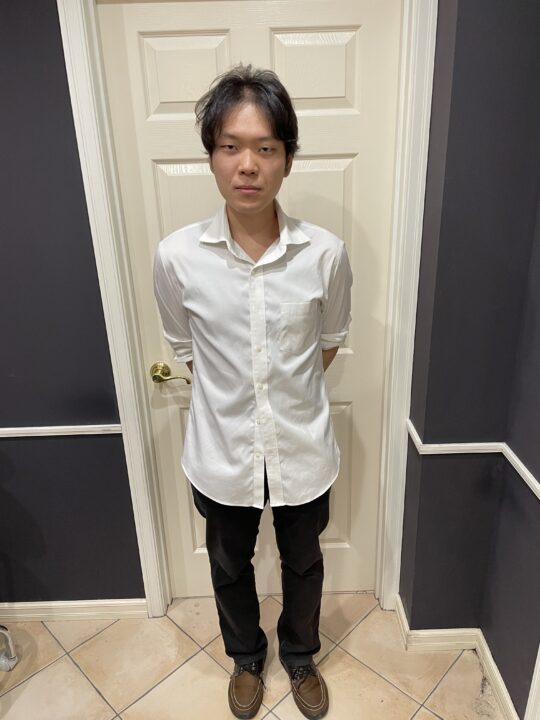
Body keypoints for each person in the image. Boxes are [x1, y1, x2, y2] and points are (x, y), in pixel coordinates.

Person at [153, 64, 352, 720]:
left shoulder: (324, 254)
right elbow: (184, 347)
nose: (247, 165)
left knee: (304, 564)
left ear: (287, 158)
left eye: (265, 147)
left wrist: (283, 393)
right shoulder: (177, 257)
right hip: (220, 452)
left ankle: (300, 655)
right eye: (230, 146)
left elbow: (329, 340)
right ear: (211, 156)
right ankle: (244, 658)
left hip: (302, 448)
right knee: (229, 565)